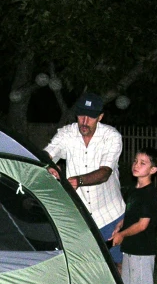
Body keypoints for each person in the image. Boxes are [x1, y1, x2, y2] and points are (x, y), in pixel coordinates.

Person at [44, 92, 126, 268]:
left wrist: (78, 181)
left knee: (116, 264)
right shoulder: (66, 134)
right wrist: (48, 165)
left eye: (90, 117)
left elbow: (105, 173)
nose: (84, 121)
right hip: (79, 215)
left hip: (109, 214)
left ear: (100, 117)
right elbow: (48, 153)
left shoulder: (111, 137)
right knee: (82, 265)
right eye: (81, 115)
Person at [110, 146, 157, 284]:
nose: (136, 165)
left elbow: (142, 224)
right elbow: (132, 214)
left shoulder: (149, 193)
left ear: (153, 170)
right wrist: (120, 226)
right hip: (130, 248)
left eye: (143, 163)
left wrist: (122, 235)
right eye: (135, 161)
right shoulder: (135, 190)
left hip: (143, 250)